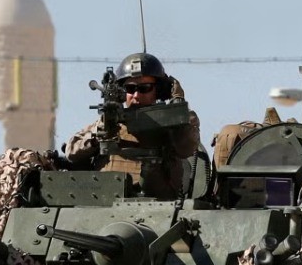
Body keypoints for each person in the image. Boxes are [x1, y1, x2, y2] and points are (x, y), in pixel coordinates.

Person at [61, 52, 202, 200]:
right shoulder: (109, 122)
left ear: (158, 90)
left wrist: (178, 108)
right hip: (107, 204)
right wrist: (100, 133)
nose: (136, 95)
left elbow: (186, 148)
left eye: (144, 88)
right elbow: (71, 152)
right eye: (130, 89)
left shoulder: (174, 122)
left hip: (159, 206)